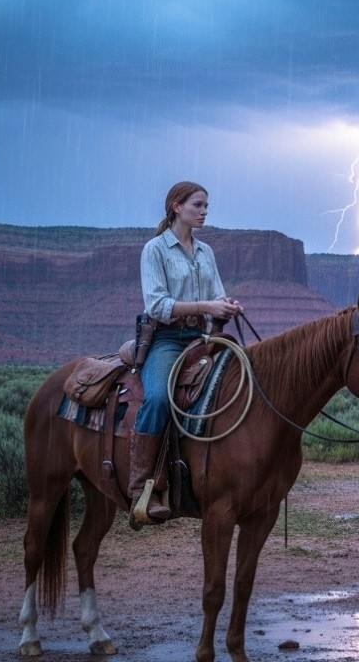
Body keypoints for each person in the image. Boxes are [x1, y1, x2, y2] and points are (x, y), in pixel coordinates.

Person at [130, 181, 242, 520]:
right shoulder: (155, 250)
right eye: (198, 205)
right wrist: (207, 303)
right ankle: (141, 488)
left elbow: (216, 296)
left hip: (200, 336)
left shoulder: (206, 252)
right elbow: (158, 304)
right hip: (166, 339)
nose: (204, 211)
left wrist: (226, 305)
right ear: (176, 206)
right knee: (159, 398)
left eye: (207, 206)